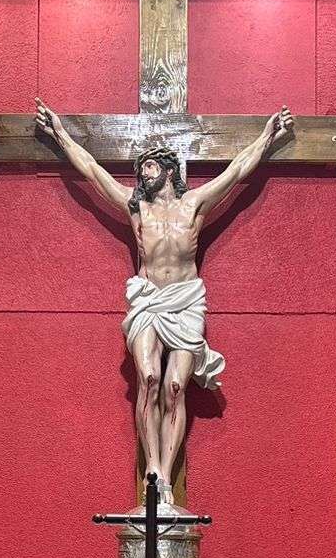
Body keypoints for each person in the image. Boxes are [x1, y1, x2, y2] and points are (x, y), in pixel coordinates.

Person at [34, 98, 293, 506]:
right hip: (149, 300)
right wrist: (61, 134)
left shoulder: (194, 206)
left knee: (175, 386)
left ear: (169, 169)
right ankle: (152, 472)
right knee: (150, 379)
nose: (141, 175)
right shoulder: (137, 210)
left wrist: (266, 135)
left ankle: (168, 481)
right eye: (139, 171)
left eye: (148, 168)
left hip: (187, 300)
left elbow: (237, 170)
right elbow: (92, 171)